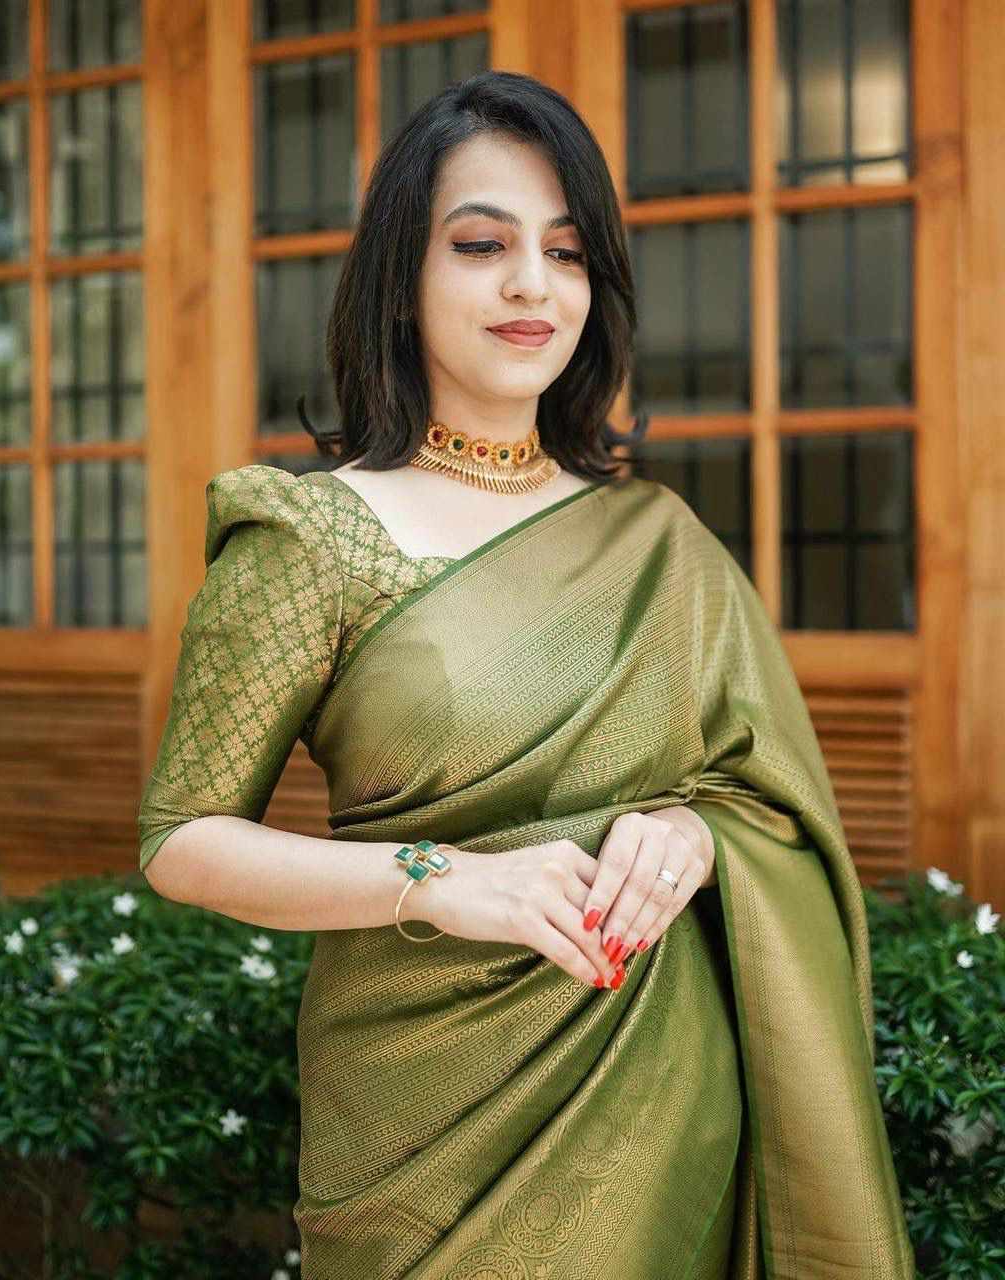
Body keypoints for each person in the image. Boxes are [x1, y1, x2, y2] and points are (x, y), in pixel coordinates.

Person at [137, 70, 915, 1279]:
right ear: (399, 278)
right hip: (418, 1132)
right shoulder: (314, 539)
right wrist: (444, 880)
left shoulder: (658, 542)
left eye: (565, 252)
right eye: (480, 244)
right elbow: (182, 838)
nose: (530, 286)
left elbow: (765, 802)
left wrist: (693, 835)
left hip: (659, 1109)